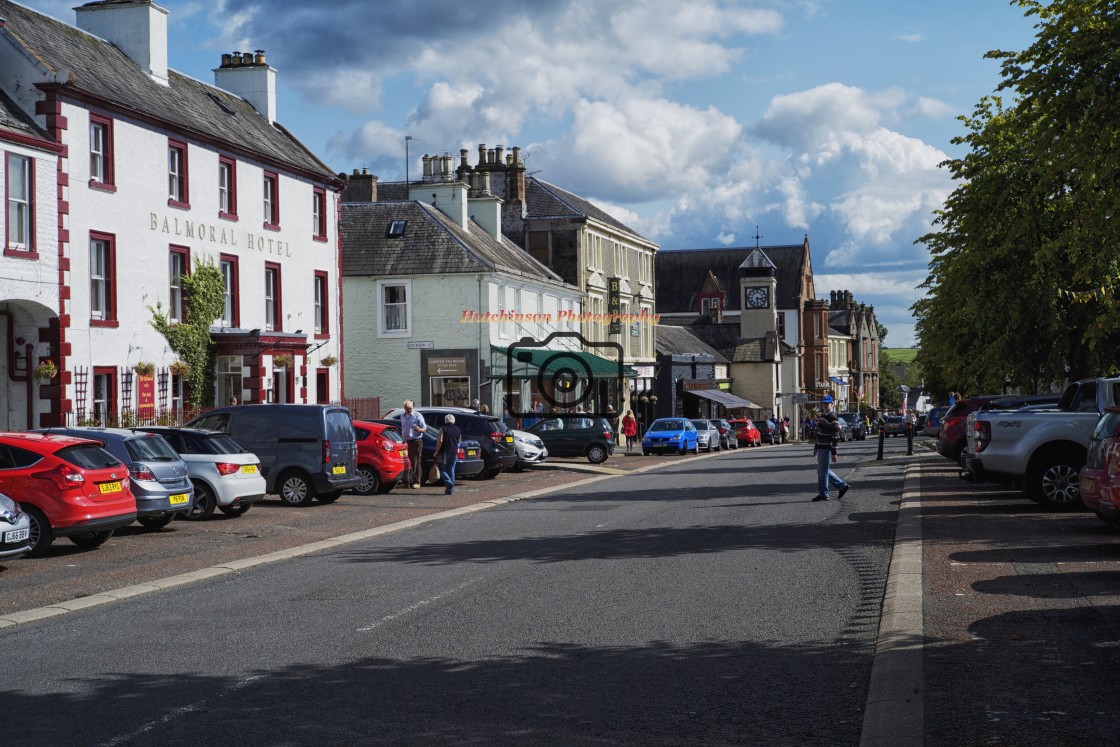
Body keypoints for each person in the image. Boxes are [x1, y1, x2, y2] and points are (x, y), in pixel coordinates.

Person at [812, 394, 850, 502]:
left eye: (827, 403)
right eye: (823, 403)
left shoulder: (832, 416)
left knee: (822, 472)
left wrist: (834, 452)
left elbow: (835, 436)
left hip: (826, 447)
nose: (825, 405)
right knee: (823, 470)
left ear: (831, 404)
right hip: (821, 446)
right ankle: (842, 486)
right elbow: (818, 433)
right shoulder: (823, 416)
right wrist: (816, 447)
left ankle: (824, 494)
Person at [400, 399, 427, 489]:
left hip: (415, 441)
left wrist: (419, 429)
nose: (409, 410)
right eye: (407, 408)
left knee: (415, 462)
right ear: (404, 408)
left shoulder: (418, 416)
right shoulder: (402, 416)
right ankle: (406, 481)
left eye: (410, 408)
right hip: (405, 442)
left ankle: (416, 482)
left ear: (412, 407)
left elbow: (425, 429)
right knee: (406, 462)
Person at [433, 413, 462, 495]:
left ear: (446, 420)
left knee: (442, 469)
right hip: (454, 452)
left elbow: (440, 440)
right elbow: (459, 441)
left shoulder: (443, 428)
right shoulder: (458, 429)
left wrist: (436, 451)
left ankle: (449, 483)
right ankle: (450, 490)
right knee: (451, 470)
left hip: (445, 451)